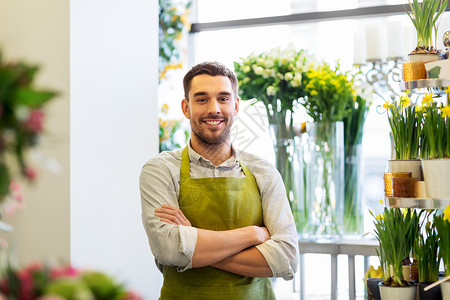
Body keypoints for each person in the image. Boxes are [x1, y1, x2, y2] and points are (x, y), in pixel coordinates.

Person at [140, 61, 298, 299]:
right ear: (186, 107)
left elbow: (286, 258)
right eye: (201, 99)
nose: (214, 109)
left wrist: (193, 241)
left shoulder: (263, 172)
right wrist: (252, 235)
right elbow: (169, 249)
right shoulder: (160, 170)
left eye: (223, 98)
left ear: (235, 106)